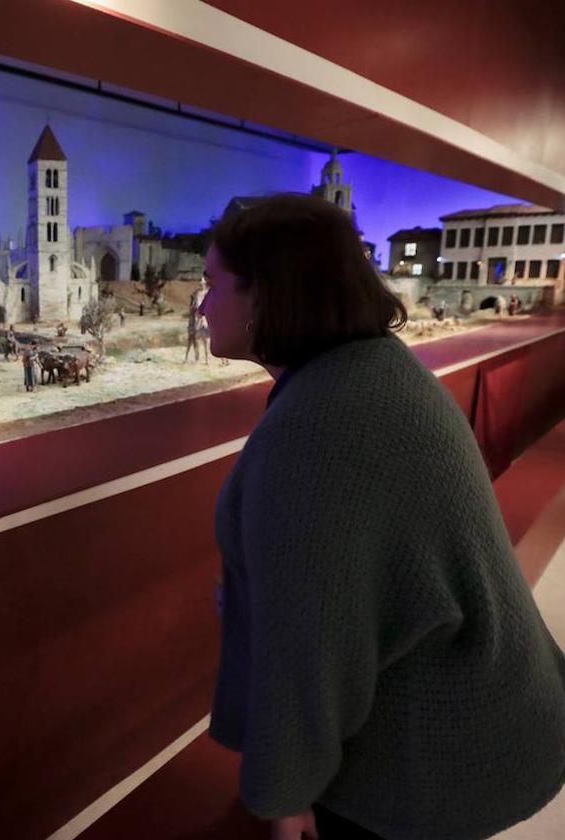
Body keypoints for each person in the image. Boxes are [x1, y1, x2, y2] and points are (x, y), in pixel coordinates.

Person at [200, 193, 565, 840]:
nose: (201, 307)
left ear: (269, 295)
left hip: (425, 764)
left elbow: (311, 643)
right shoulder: (373, 372)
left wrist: (286, 795)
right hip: (485, 717)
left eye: (212, 285)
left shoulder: (318, 428)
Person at [184, 277, 211, 365]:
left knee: (207, 339)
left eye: (203, 284)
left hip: (206, 319)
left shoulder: (208, 293)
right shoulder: (196, 294)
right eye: (200, 284)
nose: (202, 285)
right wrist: (193, 308)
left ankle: (208, 360)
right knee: (197, 339)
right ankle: (197, 358)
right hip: (197, 318)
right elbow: (191, 307)